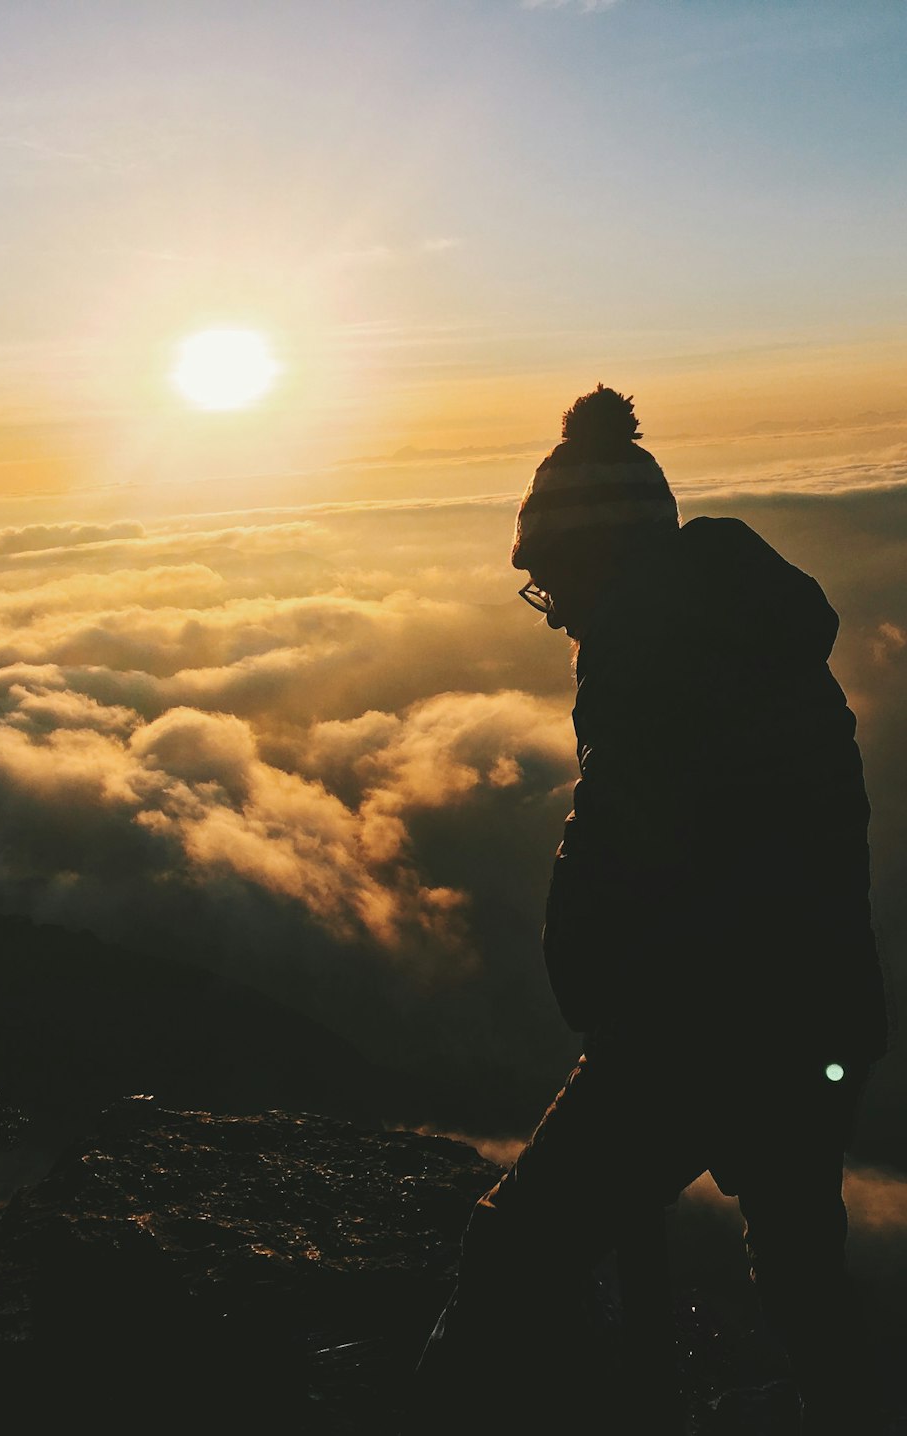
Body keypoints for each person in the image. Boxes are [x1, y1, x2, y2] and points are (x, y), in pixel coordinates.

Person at [409, 385, 888, 1435]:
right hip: (814, 1017)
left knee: (516, 1250)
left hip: (697, 1030)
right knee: (802, 1266)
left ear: (596, 557)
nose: (555, 613)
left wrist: (583, 962)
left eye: (550, 584)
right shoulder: (751, 638)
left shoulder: (654, 663)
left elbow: (629, 844)